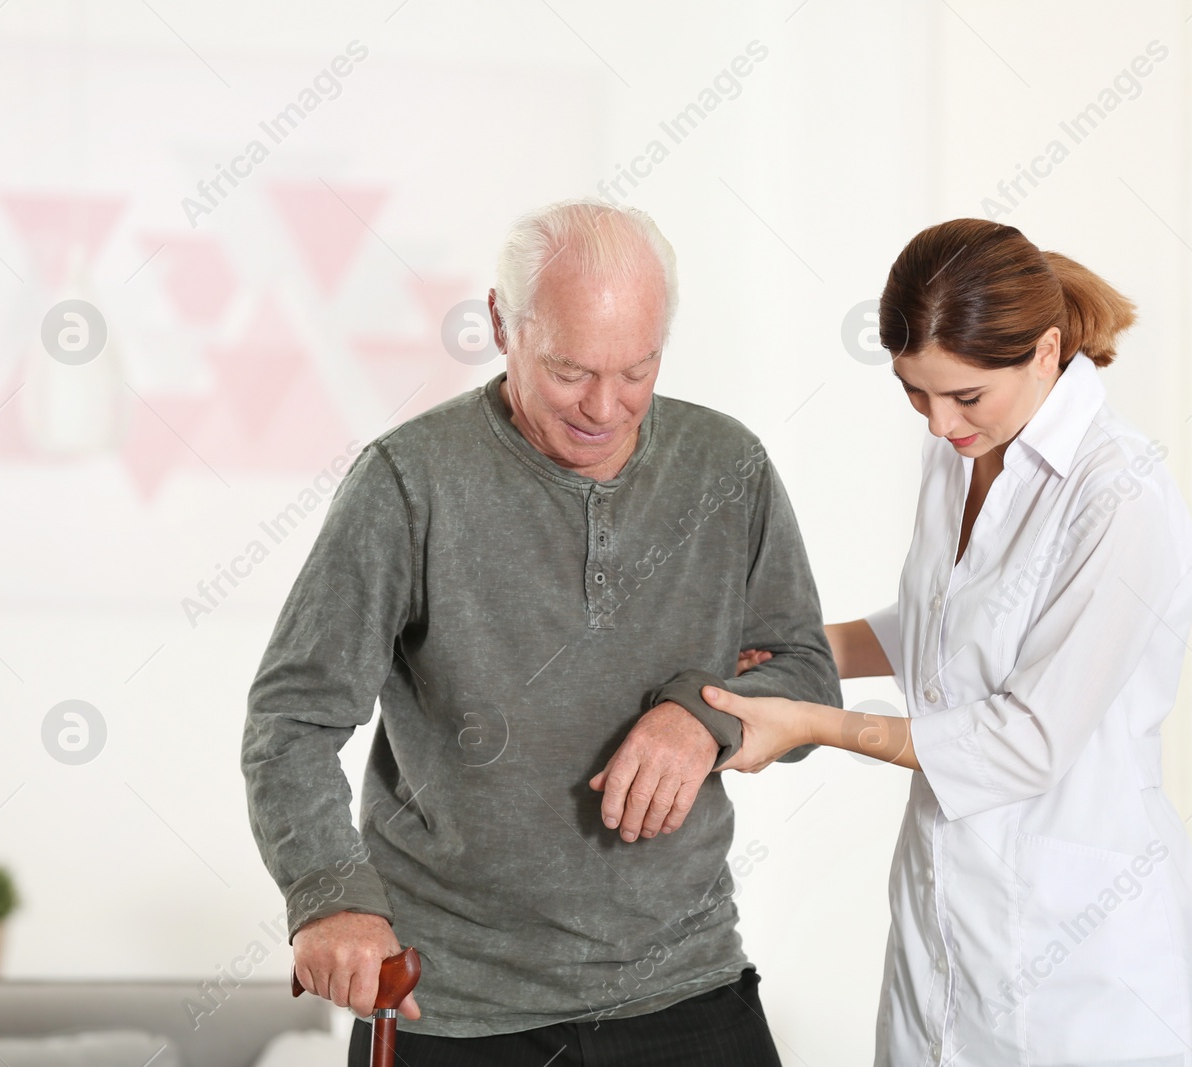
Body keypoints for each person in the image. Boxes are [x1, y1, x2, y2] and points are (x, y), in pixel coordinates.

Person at [241, 199, 840, 1067]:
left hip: (687, 987)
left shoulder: (728, 466)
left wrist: (698, 717)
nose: (606, 406)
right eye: (569, 371)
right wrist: (331, 894)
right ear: (499, 323)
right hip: (456, 1006)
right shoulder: (408, 481)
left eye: (638, 369)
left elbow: (807, 673)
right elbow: (291, 721)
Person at [710, 219, 1192, 1066]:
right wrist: (792, 649)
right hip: (946, 916)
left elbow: (1027, 740)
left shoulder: (1120, 496)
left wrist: (813, 721)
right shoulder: (965, 448)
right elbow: (947, 629)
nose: (940, 423)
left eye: (965, 396)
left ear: (1047, 352)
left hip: (1081, 956)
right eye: (915, 392)